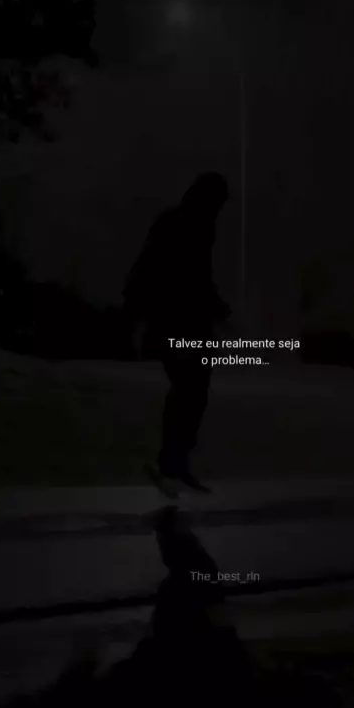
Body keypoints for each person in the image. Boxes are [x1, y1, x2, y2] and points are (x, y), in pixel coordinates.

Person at [122, 172, 231, 494]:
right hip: (174, 321)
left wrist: (216, 308)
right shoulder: (176, 223)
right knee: (188, 387)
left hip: (191, 322)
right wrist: (137, 314)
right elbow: (154, 268)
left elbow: (199, 276)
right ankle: (172, 460)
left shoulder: (202, 227)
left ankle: (177, 459)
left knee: (194, 390)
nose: (217, 210)